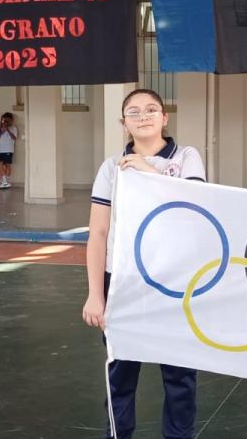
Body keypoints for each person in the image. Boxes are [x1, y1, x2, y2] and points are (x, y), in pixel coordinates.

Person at [82, 89, 204, 439]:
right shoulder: (111, 168)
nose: (144, 116)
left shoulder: (187, 158)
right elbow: (99, 233)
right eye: (133, 112)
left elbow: (194, 208)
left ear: (165, 118)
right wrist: (95, 294)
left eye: (152, 109)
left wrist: (150, 171)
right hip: (122, 283)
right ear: (124, 124)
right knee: (120, 374)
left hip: (175, 281)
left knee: (180, 375)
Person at [0, 112, 18, 189]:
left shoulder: (14, 128)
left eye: (8, 121)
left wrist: (7, 130)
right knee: (0, 164)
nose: (6, 122)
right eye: (5, 120)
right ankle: (4, 181)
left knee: (7, 165)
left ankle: (6, 181)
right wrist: (2, 131)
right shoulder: (1, 128)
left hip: (8, 149)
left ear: (11, 120)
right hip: (1, 149)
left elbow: (14, 137)